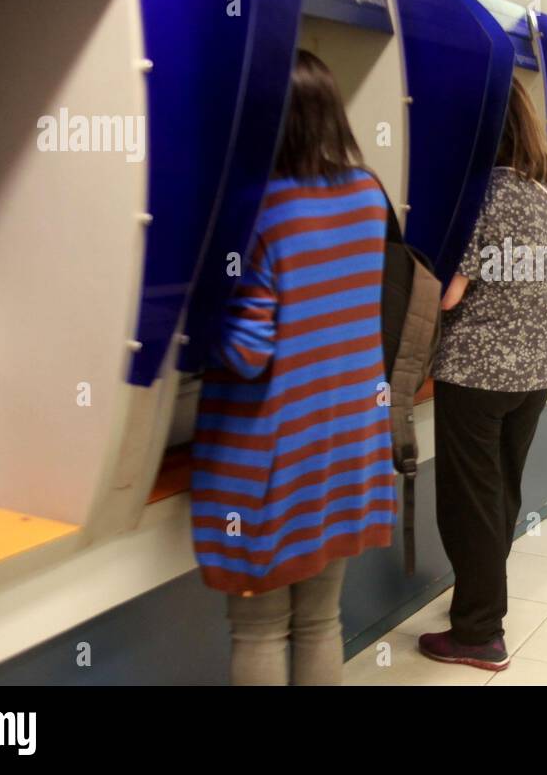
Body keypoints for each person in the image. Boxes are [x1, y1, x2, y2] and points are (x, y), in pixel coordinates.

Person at [189, 51, 396, 685]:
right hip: (346, 447)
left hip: (270, 458)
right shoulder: (367, 195)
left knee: (258, 628)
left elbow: (248, 352)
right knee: (319, 621)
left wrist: (192, 319)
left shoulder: (259, 212)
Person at [418, 80, 547, 672]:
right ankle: (477, 606)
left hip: (477, 372)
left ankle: (480, 633)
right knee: (500, 496)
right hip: (534, 375)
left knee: (468, 503)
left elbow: (451, 296)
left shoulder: (482, 194)